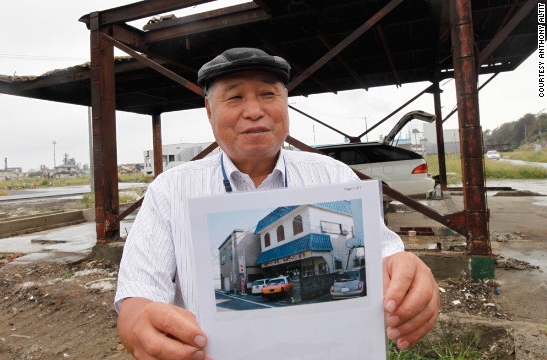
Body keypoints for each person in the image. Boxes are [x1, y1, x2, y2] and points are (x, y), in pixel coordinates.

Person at [115, 48, 439, 359]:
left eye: (269, 94)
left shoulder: (333, 177)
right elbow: (137, 299)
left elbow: (386, 261)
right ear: (210, 111)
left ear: (286, 105)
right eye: (235, 96)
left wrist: (409, 281)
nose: (254, 110)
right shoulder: (170, 191)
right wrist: (139, 328)